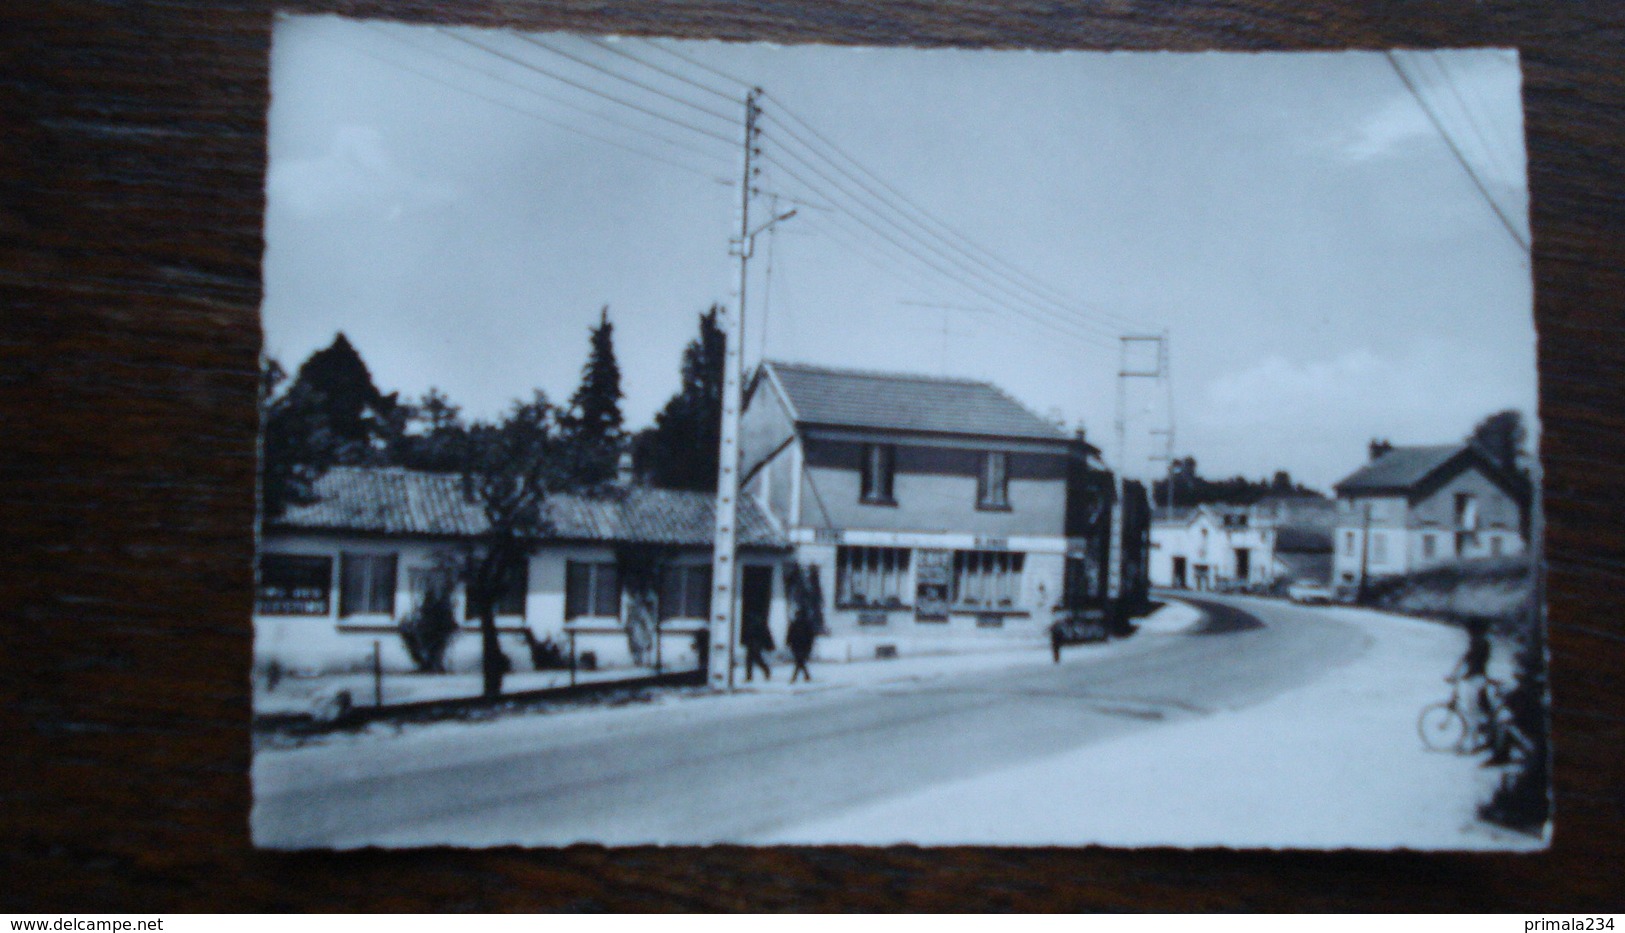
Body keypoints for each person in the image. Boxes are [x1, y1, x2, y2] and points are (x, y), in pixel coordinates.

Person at [741, 610, 774, 682]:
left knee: (753, 660)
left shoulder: (753, 624)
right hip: (755, 644)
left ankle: (751, 676)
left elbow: (764, 635)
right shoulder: (760, 624)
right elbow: (766, 635)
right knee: (754, 660)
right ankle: (764, 671)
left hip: (754, 644)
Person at [787, 609, 818, 683]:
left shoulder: (794, 623)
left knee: (799, 661)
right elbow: (811, 636)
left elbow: (790, 634)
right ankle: (806, 676)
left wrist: (788, 642)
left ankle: (795, 677)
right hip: (803, 645)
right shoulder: (807, 624)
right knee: (800, 661)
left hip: (797, 645)